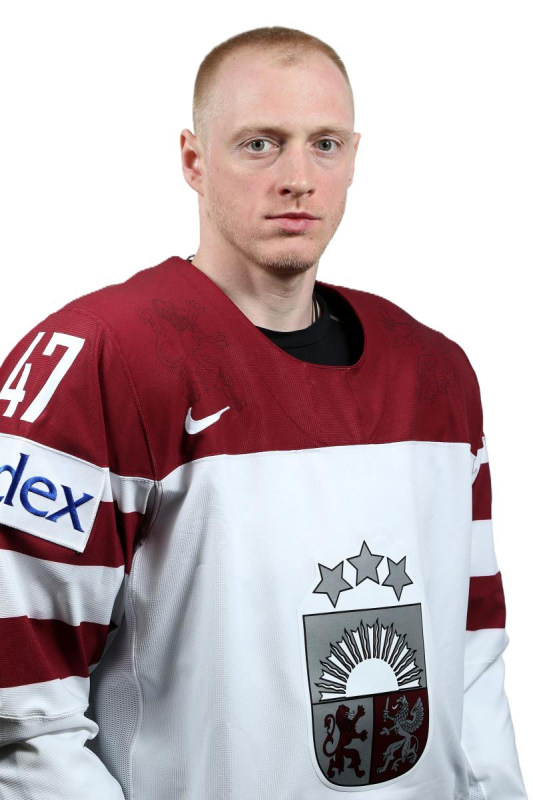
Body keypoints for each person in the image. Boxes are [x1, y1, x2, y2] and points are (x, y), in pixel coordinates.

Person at [0, 24, 527, 800]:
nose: (297, 178)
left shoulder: (435, 374)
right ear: (193, 159)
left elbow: (472, 657)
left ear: (353, 157)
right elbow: (22, 707)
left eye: (324, 144)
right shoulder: (98, 358)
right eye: (260, 144)